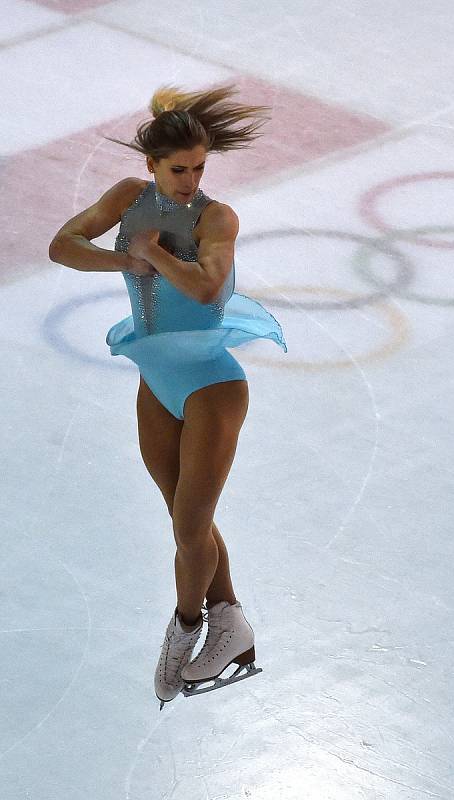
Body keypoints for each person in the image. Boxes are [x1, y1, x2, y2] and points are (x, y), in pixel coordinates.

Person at [48, 84, 287, 710]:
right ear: (151, 166)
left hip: (211, 382)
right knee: (189, 518)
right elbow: (63, 245)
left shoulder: (217, 217)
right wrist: (125, 263)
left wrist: (152, 252)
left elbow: (209, 289)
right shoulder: (128, 199)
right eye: (178, 169)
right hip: (157, 382)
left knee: (188, 528)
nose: (190, 180)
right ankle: (228, 617)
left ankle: (185, 631)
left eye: (200, 168)